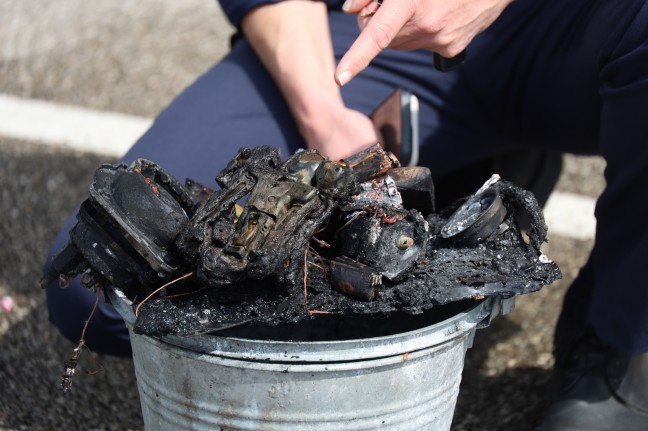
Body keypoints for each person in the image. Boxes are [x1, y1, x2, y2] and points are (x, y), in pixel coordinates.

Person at [44, 0, 648, 429]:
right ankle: (473, 182)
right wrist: (322, 114)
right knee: (99, 286)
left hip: (581, 25)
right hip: (365, 38)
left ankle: (620, 336)